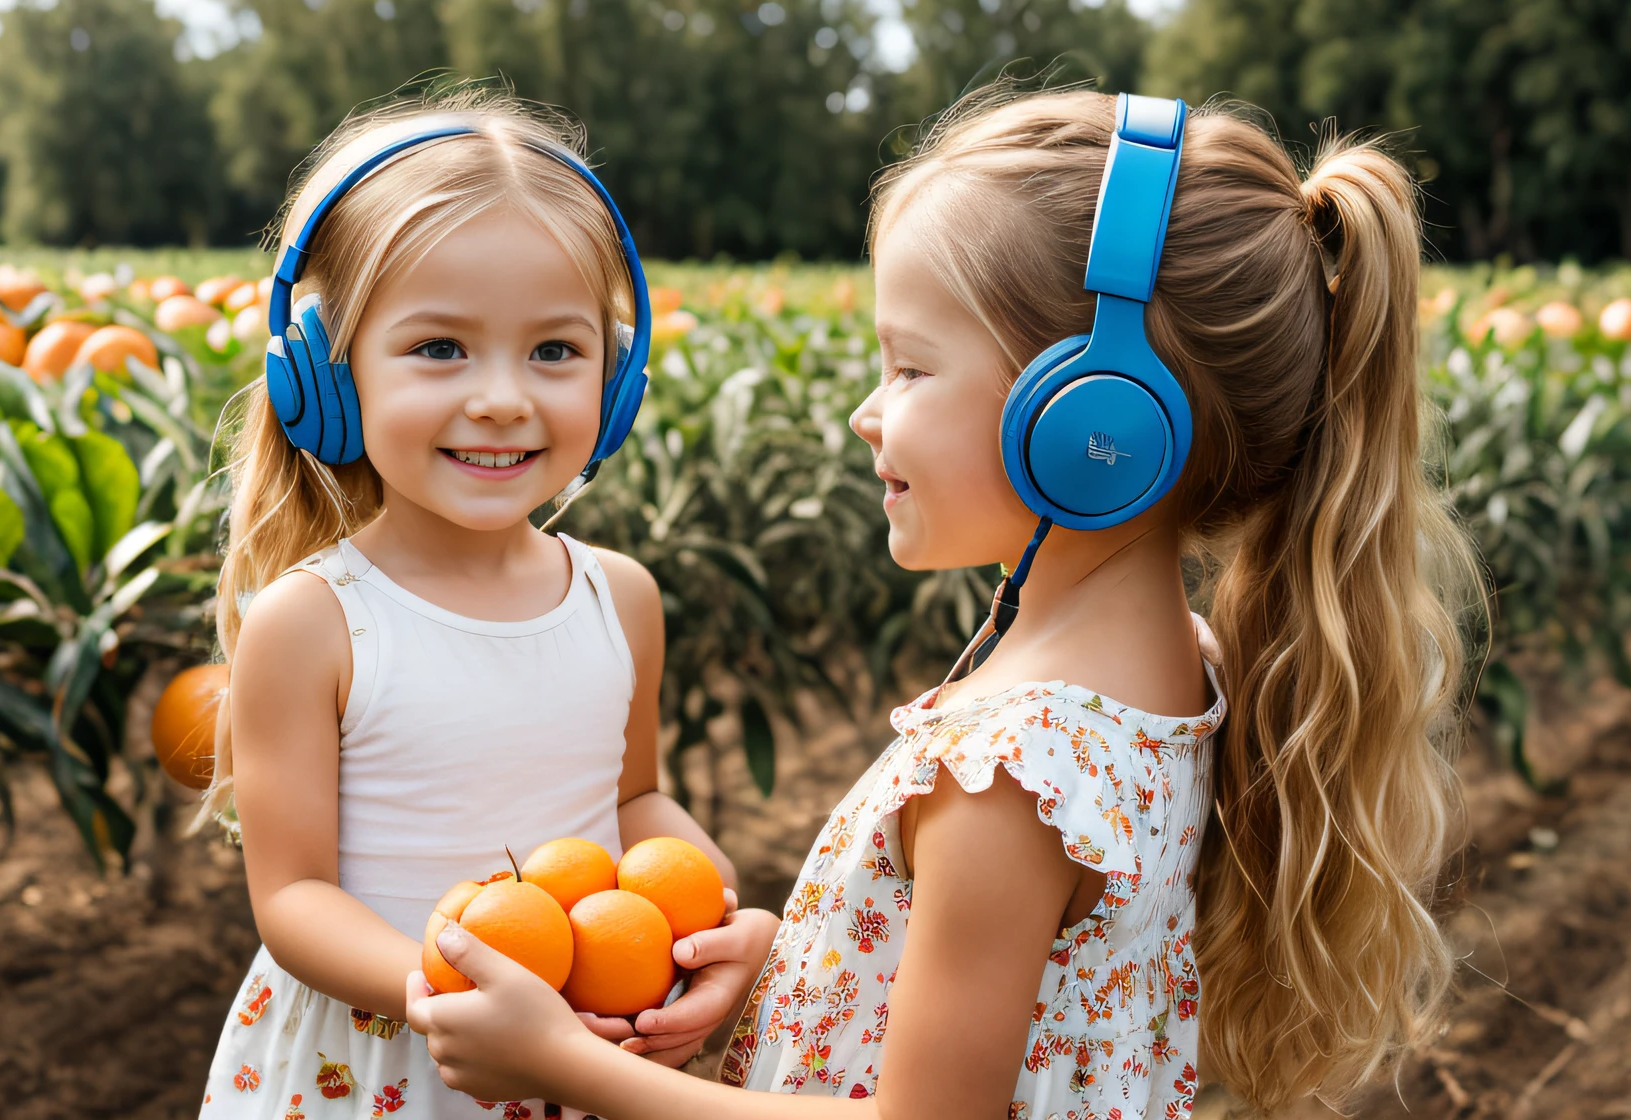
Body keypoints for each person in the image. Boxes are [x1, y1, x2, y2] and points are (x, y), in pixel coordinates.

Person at [406, 86, 1484, 1119]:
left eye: (911, 369)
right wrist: (782, 963)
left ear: (1092, 423)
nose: (869, 413)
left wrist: (557, 1061)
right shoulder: (1176, 669)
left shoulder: (1015, 772)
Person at [195, 89, 764, 1118]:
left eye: (554, 350)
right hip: (385, 1063)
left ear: (618, 376)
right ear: (327, 374)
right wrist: (457, 986)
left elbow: (632, 799)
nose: (503, 396)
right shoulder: (315, 621)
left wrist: (701, 898)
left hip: (579, 1045)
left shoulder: (617, 597)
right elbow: (293, 896)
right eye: (440, 347)